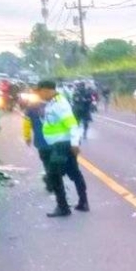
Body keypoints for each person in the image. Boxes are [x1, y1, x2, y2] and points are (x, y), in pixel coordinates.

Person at [33, 80, 89, 218]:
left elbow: (72, 124)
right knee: (74, 173)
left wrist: (75, 143)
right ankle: (83, 202)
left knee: (54, 175)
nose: (39, 95)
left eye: (40, 92)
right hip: (60, 144)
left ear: (46, 90)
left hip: (62, 145)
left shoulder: (60, 104)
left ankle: (63, 207)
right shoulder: (52, 103)